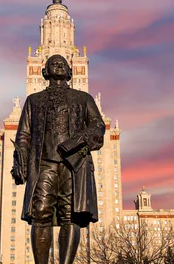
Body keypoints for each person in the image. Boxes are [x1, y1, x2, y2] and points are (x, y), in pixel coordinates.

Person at [11, 54, 105, 264]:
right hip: (44, 164)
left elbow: (98, 126)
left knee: (70, 216)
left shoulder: (83, 99)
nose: (59, 65)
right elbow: (24, 135)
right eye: (54, 63)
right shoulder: (34, 100)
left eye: (63, 64)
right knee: (40, 213)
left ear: (70, 71)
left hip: (74, 165)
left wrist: (78, 140)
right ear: (45, 71)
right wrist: (19, 161)